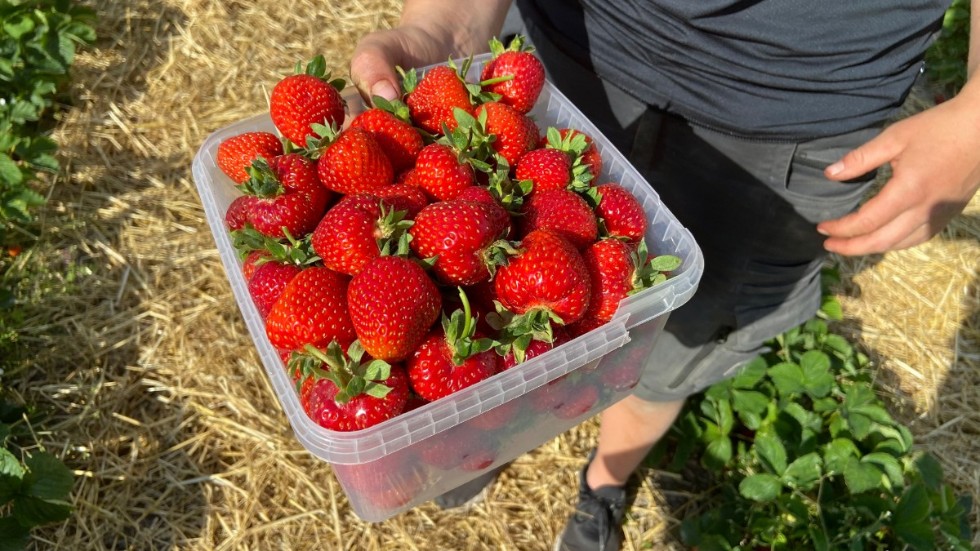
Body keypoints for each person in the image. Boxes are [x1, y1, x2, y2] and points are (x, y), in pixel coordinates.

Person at [349, 1, 980, 549]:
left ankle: (606, 480)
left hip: (798, 113)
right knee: (490, 359)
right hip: (571, 47)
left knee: (678, 342)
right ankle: (482, 443)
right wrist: (447, 24)